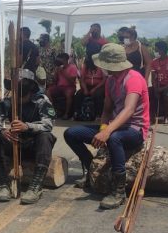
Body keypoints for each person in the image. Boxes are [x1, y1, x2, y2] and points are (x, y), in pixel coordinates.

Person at [64, 43, 150, 209]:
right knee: (71, 133)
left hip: (135, 129)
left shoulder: (134, 79)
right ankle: (92, 171)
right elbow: (107, 109)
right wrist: (104, 128)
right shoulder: (111, 81)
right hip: (115, 126)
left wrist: (108, 131)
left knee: (115, 138)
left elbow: (129, 110)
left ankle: (118, 190)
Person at [0, 69, 56, 205]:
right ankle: (3, 183)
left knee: (46, 136)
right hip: (13, 144)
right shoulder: (7, 102)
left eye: (22, 88)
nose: (19, 94)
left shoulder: (41, 101)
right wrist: (2, 131)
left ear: (30, 89)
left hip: (33, 146)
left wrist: (27, 126)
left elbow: (49, 124)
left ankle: (36, 186)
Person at [149, 40, 168, 124]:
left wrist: (162, 89)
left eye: (156, 49)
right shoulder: (154, 62)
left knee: (166, 95)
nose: (155, 52)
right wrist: (155, 88)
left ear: (162, 50)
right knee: (148, 93)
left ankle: (166, 117)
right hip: (158, 85)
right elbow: (153, 78)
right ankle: (152, 116)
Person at [74, 51, 107, 120]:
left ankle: (98, 114)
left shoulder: (101, 67)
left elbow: (104, 80)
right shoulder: (85, 67)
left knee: (98, 95)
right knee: (79, 94)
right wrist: (85, 89)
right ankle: (78, 112)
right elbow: (82, 80)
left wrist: (95, 89)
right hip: (87, 86)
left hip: (99, 86)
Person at [46, 52, 78, 119]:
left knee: (68, 95)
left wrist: (63, 72)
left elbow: (72, 81)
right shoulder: (59, 68)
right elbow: (55, 80)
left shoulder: (73, 67)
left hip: (69, 87)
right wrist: (56, 72)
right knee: (48, 92)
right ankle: (53, 110)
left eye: (60, 59)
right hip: (59, 87)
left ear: (64, 59)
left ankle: (66, 114)